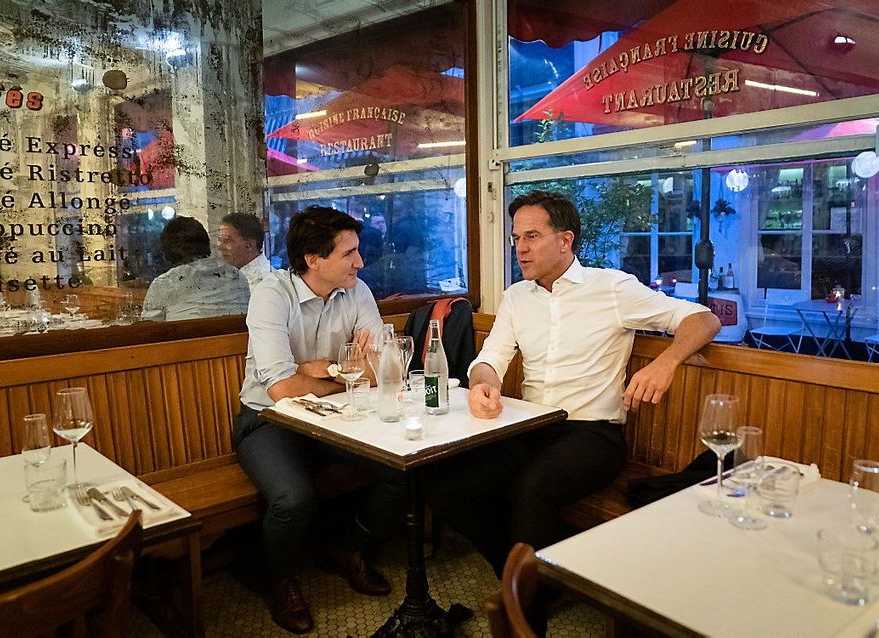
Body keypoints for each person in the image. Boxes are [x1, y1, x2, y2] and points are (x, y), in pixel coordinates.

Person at [426, 190, 721, 576]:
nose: (520, 248)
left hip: (594, 435)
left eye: (532, 236)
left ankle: (527, 607)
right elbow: (489, 360)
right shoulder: (516, 297)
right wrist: (485, 384)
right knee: (443, 482)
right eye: (516, 238)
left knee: (533, 490)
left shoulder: (612, 288)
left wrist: (664, 364)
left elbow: (704, 319)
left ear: (565, 240)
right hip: (530, 427)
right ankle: (526, 580)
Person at [233, 205, 405, 633]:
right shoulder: (272, 294)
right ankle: (281, 581)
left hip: (337, 414)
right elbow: (280, 389)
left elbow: (385, 368)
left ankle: (347, 548)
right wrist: (343, 369)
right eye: (349, 253)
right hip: (268, 419)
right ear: (314, 260)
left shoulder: (358, 290)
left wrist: (316, 369)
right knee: (295, 497)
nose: (360, 262)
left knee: (403, 470)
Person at [141, 217, 250, 321]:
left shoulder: (165, 283)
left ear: (166, 251)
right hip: (237, 340)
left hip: (188, 340)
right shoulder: (237, 275)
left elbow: (149, 330)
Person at [218, 212, 271, 290]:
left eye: (227, 240)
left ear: (249, 245)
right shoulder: (232, 276)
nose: (220, 247)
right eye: (220, 240)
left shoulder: (265, 284)